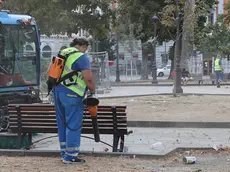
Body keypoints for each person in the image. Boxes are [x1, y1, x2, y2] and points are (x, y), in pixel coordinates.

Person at [53, 37, 95, 164]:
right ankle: (70, 156)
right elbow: (88, 79)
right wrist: (93, 90)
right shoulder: (81, 57)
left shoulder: (62, 53)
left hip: (57, 93)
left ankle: (64, 152)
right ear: (82, 45)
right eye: (86, 48)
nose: (85, 51)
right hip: (72, 94)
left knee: (63, 124)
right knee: (73, 124)